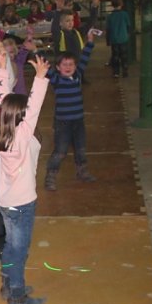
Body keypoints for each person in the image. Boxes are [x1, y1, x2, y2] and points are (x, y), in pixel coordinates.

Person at [0, 49, 51, 304]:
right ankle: (17, 295)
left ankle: (7, 283)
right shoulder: (23, 135)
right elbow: (34, 107)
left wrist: (3, 67)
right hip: (23, 203)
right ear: (21, 117)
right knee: (19, 249)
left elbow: (3, 100)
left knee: (11, 246)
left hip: (6, 202)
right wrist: (40, 78)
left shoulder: (2, 131)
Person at [43, 30, 97, 191]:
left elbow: (85, 58)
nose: (68, 67)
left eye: (71, 64)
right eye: (64, 65)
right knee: (60, 151)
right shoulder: (57, 80)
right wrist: (35, 51)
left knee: (81, 149)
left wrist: (90, 42)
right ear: (58, 67)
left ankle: (82, 171)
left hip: (78, 121)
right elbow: (44, 66)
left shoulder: (78, 75)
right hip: (63, 123)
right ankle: (50, 176)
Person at [106, 0, 132, 78]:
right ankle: (125, 71)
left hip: (114, 39)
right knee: (124, 56)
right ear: (121, 4)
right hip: (123, 38)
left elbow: (108, 29)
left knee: (115, 56)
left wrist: (108, 41)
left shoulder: (110, 16)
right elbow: (128, 26)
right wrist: (128, 35)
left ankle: (116, 72)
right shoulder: (125, 14)